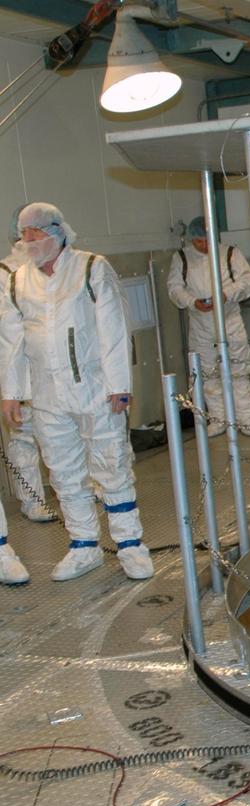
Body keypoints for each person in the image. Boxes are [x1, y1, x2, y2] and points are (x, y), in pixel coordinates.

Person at [0, 203, 154, 581]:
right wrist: (11, 393)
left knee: (111, 466)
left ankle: (130, 545)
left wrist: (119, 385)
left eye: (36, 233)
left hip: (94, 390)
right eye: (24, 235)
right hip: (46, 396)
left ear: (57, 232)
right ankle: (84, 545)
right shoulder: (19, 281)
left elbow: (114, 327)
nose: (29, 241)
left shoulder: (90, 268)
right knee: (64, 473)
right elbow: (12, 342)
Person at [167, 215, 250, 437]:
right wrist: (193, 302)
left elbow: (247, 282)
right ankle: (218, 419)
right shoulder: (182, 258)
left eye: (206, 240)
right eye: (198, 241)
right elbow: (174, 288)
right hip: (201, 327)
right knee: (207, 375)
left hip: (230, 323)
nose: (203, 245)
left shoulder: (230, 253)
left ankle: (246, 419)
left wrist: (226, 294)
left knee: (239, 372)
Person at [0, 214, 55, 524]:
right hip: (19, 370)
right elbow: (8, 334)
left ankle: (74, 492)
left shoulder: (51, 268)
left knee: (57, 434)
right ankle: (32, 500)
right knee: (23, 437)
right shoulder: (5, 273)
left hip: (51, 367)